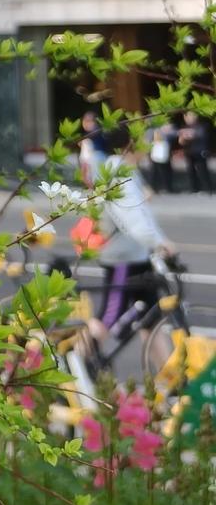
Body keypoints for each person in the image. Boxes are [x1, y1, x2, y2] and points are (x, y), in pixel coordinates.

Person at [91, 124, 175, 345]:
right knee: (108, 318)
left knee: (151, 317)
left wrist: (158, 242)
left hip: (136, 254)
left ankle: (169, 377)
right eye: (144, 141)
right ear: (130, 144)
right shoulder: (117, 172)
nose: (148, 147)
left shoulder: (126, 169)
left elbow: (143, 214)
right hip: (123, 256)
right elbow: (133, 217)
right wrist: (159, 242)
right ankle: (75, 357)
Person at [177, 110, 211, 195]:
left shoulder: (201, 126)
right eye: (188, 117)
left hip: (200, 151)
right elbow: (181, 140)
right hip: (189, 152)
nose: (190, 118)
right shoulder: (184, 127)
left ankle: (208, 189)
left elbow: (199, 135)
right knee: (191, 171)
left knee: (203, 171)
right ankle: (194, 189)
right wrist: (184, 137)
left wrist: (187, 135)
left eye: (192, 116)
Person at [77, 111, 109, 186]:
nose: (86, 123)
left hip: (97, 160)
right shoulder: (85, 138)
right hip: (89, 163)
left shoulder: (99, 134)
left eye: (90, 121)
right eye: (85, 120)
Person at [148, 117, 178, 194]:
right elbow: (148, 137)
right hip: (154, 151)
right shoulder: (152, 128)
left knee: (166, 170)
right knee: (154, 171)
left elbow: (175, 133)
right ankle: (154, 187)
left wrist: (168, 130)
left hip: (165, 151)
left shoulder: (168, 126)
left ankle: (168, 187)